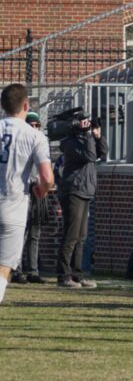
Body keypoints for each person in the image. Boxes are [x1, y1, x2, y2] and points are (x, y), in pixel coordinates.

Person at [0, 84, 54, 305]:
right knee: (4, 265)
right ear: (25, 105)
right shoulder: (35, 136)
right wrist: (43, 189)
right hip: (13, 206)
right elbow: (47, 177)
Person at [57, 110, 107, 289]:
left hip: (86, 190)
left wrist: (98, 137)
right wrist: (87, 137)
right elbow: (90, 156)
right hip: (74, 190)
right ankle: (63, 276)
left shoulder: (87, 140)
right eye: (84, 122)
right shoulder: (71, 143)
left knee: (81, 237)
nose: (88, 124)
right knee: (71, 235)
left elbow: (102, 153)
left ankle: (77, 275)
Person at [17, 112, 49, 285]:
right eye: (32, 125)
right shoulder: (21, 143)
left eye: (37, 125)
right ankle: (17, 269)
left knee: (35, 233)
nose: (35, 128)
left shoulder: (41, 142)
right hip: (23, 190)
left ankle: (33, 270)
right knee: (21, 232)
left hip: (38, 190)